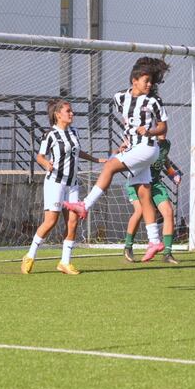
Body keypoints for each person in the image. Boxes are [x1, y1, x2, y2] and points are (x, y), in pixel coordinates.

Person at [64, 60, 168, 265]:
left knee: (110, 165)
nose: (149, 85)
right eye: (146, 81)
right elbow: (127, 122)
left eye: (151, 82)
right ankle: (155, 241)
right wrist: (126, 140)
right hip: (135, 148)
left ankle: (85, 205)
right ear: (134, 80)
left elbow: (163, 128)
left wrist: (149, 131)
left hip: (148, 148)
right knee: (144, 193)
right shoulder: (119, 98)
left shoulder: (153, 102)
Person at [21, 99, 106, 275]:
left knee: (73, 222)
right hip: (55, 183)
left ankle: (65, 262)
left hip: (72, 184)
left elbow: (77, 152)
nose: (71, 114)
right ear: (58, 114)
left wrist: (96, 160)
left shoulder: (74, 132)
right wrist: (46, 164)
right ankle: (30, 255)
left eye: (71, 111)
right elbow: (40, 156)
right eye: (68, 111)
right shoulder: (50, 134)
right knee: (51, 221)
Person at [123, 133, 182, 264]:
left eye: (164, 128)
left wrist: (173, 174)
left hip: (155, 183)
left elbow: (165, 160)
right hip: (138, 182)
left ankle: (167, 253)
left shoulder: (166, 144)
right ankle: (128, 247)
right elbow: (122, 153)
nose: (163, 131)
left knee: (168, 212)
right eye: (159, 127)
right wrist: (125, 149)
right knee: (139, 211)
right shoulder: (143, 142)